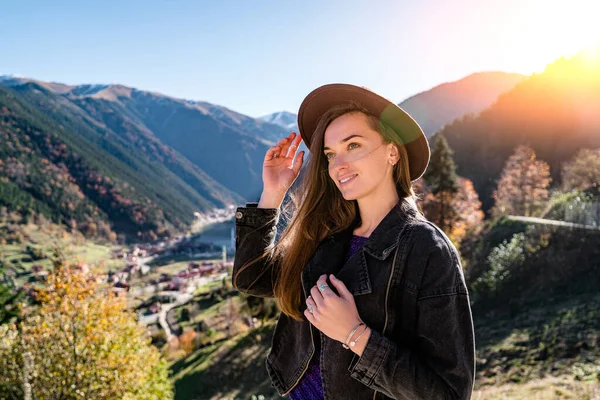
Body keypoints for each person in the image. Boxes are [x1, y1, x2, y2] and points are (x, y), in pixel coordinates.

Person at [232, 83, 475, 399]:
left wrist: (355, 334)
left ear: (392, 151)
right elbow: (251, 278)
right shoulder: (327, 235)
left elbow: (449, 393)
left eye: (354, 145)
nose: (337, 165)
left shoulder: (427, 250)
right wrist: (273, 194)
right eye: (331, 154)